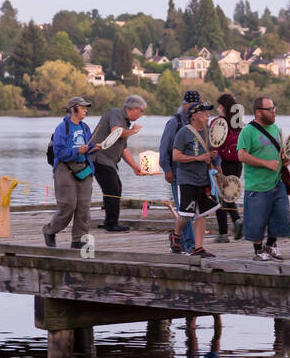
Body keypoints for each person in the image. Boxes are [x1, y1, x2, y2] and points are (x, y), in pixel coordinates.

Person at [236, 95, 290, 261]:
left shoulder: (275, 129)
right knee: (257, 220)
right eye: (270, 109)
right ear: (259, 112)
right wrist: (265, 163)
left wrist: (285, 159)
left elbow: (279, 150)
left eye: (274, 108)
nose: (274, 112)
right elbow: (242, 155)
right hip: (257, 184)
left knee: (281, 216)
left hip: (277, 181)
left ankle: (271, 245)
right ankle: (258, 251)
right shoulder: (247, 131)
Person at [91, 94, 153, 233]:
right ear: (133, 108)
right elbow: (116, 132)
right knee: (113, 188)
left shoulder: (124, 122)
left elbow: (123, 148)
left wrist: (135, 166)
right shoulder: (116, 114)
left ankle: (110, 221)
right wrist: (133, 131)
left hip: (109, 161)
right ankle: (111, 224)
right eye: (142, 111)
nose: (142, 114)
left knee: (114, 188)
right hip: (99, 158)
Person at [45, 96, 96, 248]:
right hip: (64, 168)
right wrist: (77, 150)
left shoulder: (85, 127)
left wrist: (95, 147)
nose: (86, 110)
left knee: (84, 206)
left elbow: (89, 145)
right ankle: (50, 230)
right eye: (82, 107)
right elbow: (59, 151)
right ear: (73, 109)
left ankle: (78, 240)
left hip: (84, 169)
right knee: (67, 205)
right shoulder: (62, 128)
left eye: (86, 107)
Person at [173, 101, 221, 257]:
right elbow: (176, 156)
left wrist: (213, 158)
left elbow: (212, 151)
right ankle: (176, 234)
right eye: (204, 112)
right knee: (186, 214)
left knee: (202, 213)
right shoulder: (184, 132)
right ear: (194, 116)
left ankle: (198, 247)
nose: (208, 114)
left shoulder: (208, 132)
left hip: (203, 177)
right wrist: (198, 157)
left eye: (208, 111)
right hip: (187, 178)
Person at [159, 90, 202, 253]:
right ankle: (190, 245)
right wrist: (167, 170)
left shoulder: (201, 122)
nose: (194, 108)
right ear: (184, 105)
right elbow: (164, 148)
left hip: (197, 174)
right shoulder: (174, 123)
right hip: (177, 173)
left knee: (193, 210)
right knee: (184, 209)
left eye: (196, 106)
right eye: (190, 105)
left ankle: (180, 242)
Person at [214, 92, 244, 242]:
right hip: (238, 163)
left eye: (219, 106)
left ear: (223, 107)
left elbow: (215, 144)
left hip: (223, 163)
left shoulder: (220, 123)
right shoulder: (240, 124)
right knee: (230, 194)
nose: (218, 109)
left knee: (220, 197)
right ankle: (237, 220)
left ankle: (223, 233)